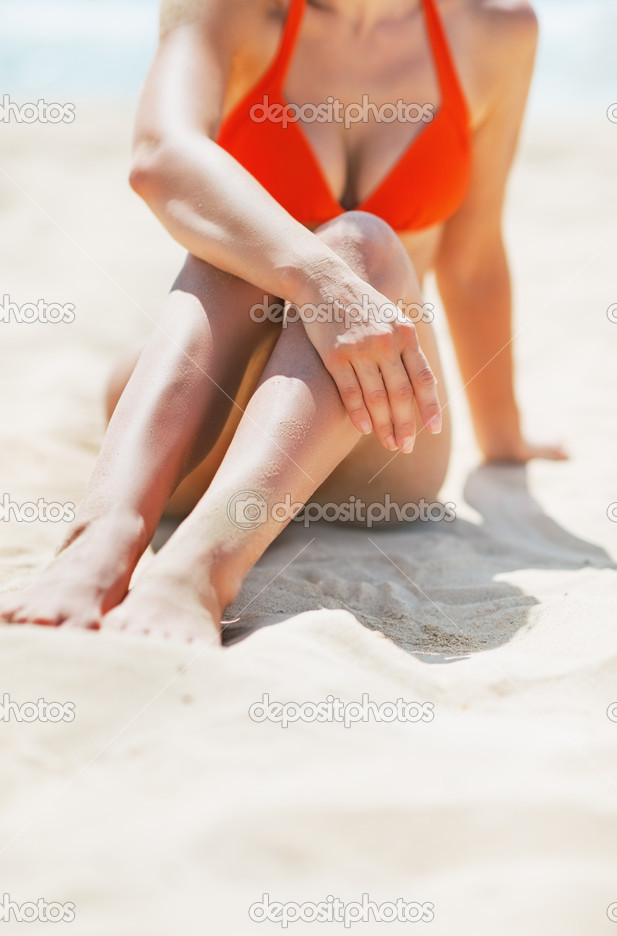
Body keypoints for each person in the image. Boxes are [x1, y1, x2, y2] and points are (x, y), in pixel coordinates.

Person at [1, 0, 566, 644]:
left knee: (366, 245)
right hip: (202, 429)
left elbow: (473, 260)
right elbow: (160, 152)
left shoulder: (493, 29)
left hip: (377, 435)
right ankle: (100, 540)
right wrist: (318, 281)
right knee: (242, 248)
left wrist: (505, 440)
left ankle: (197, 571)